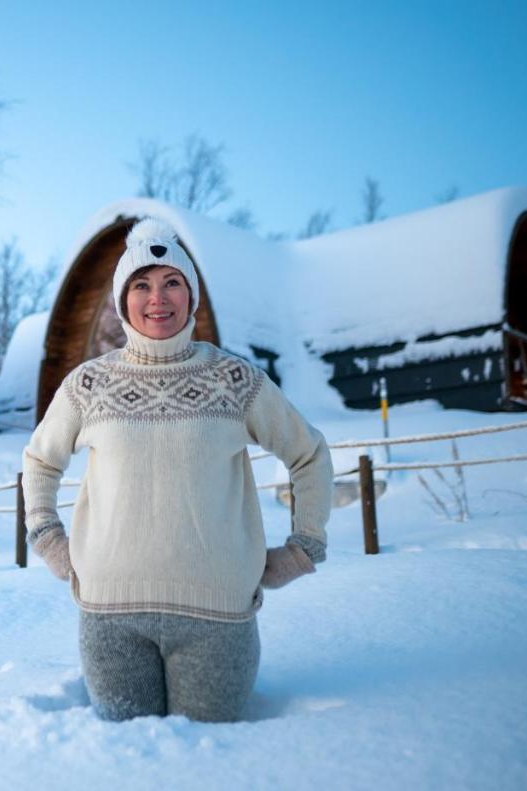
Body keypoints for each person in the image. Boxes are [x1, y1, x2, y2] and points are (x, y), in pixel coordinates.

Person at [22, 217, 333, 723]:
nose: (157, 298)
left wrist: (303, 547)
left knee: (214, 763)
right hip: (110, 619)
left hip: (217, 621)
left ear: (191, 296)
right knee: (124, 762)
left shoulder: (235, 380)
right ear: (123, 300)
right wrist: (49, 540)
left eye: (172, 282)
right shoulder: (88, 385)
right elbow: (39, 460)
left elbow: (309, 454)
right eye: (141, 284)